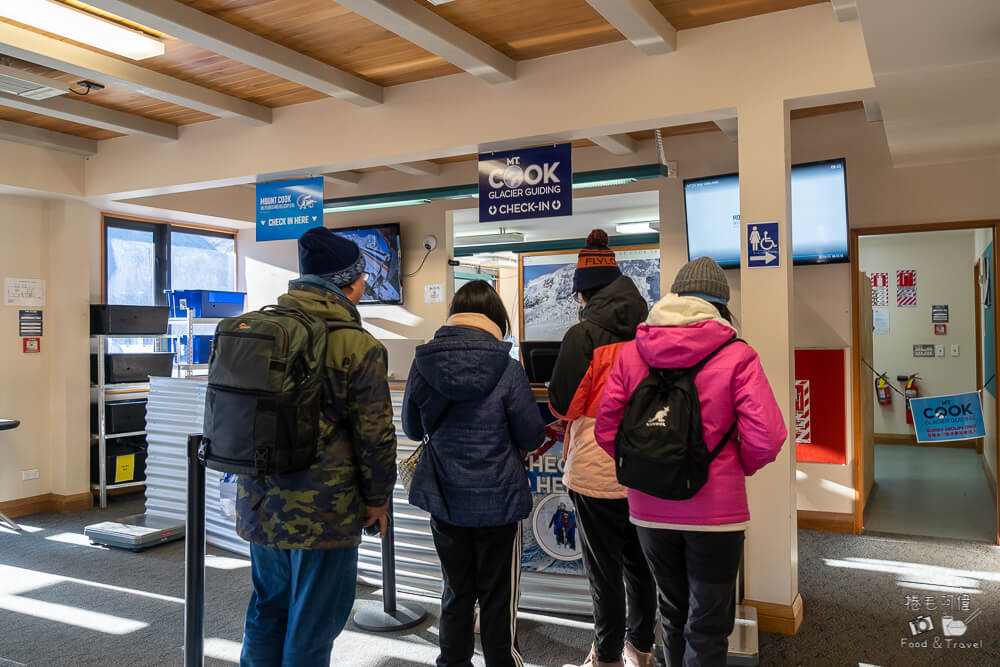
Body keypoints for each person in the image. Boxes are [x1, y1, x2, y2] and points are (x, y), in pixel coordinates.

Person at [595, 256, 787, 667]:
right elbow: (767, 437)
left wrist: (647, 469)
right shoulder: (737, 355)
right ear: (721, 305)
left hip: (648, 511)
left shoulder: (632, 353)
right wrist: (736, 468)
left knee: (674, 612)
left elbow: (606, 431)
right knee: (709, 623)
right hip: (717, 514)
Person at [236, 226, 398, 666]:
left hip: (261, 501)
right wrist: (378, 501)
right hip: (324, 512)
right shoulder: (357, 345)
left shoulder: (263, 328)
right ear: (350, 282)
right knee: (313, 623)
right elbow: (375, 437)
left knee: (268, 608)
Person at [403, 280, 546, 667]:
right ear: (496, 317)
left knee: (456, 590)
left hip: (444, 498)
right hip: (498, 501)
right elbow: (532, 436)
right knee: (497, 595)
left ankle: (452, 662)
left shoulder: (423, 363)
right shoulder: (508, 368)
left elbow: (414, 430)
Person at [548, 230, 657, 667]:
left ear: (583, 292)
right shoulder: (651, 331)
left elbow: (562, 403)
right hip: (646, 465)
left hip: (597, 467)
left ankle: (607, 655)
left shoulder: (584, 335)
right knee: (639, 563)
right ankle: (642, 648)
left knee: (603, 571)